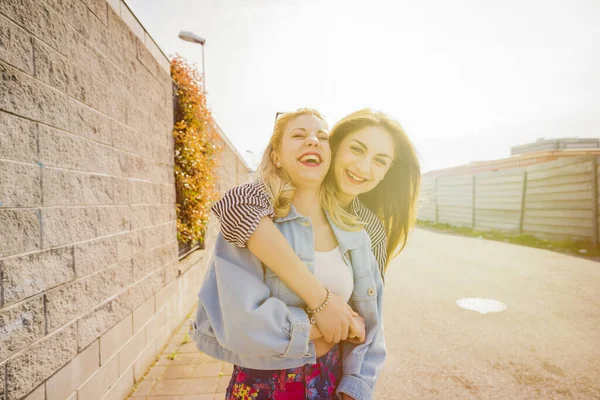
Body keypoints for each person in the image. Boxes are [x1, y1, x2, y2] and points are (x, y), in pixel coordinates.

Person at [191, 108, 385, 399]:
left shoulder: (355, 234)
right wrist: (332, 320)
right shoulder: (250, 227)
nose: (313, 141)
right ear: (276, 156)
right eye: (298, 135)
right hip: (262, 386)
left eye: (322, 136)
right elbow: (242, 325)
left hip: (332, 383)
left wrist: (355, 387)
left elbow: (371, 326)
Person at [212, 108, 421, 343]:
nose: (363, 168)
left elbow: (367, 323)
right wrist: (322, 302)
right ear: (335, 147)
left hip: (335, 373)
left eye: (380, 161)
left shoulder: (369, 228)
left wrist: (355, 377)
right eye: (356, 149)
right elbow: (235, 204)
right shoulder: (268, 204)